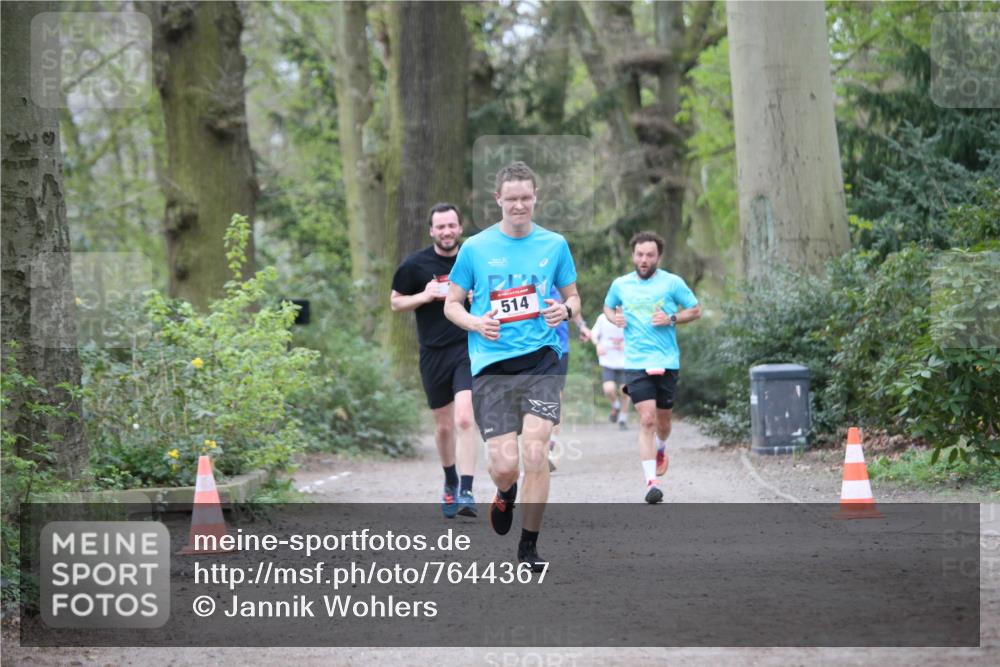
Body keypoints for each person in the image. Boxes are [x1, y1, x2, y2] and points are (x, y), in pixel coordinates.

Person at [445, 161, 580, 571]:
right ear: (498, 200)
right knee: (505, 465)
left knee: (536, 451)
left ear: (535, 197)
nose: (519, 205)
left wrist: (565, 310)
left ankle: (529, 546)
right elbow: (452, 303)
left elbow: (574, 298)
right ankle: (505, 492)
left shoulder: (555, 245)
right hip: (492, 365)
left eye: (526, 198)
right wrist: (475, 321)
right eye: (512, 199)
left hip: (542, 359)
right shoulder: (475, 248)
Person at [390, 203, 478, 519]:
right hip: (433, 353)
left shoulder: (474, 258)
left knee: (465, 418)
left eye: (451, 225)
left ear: (460, 228)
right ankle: (451, 479)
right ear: (431, 231)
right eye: (440, 227)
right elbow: (396, 302)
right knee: (443, 427)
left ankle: (467, 490)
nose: (446, 232)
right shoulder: (415, 265)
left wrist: (475, 298)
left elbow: (494, 294)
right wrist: (424, 296)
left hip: (466, 348)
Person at [603, 231, 701, 504]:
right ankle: (651, 484)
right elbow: (608, 308)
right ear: (633, 255)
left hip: (667, 361)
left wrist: (671, 317)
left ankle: (661, 446)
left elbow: (695, 309)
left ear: (658, 257)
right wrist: (615, 319)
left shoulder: (672, 283)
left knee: (663, 422)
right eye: (639, 255)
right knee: (646, 419)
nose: (643, 260)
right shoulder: (621, 285)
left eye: (649, 255)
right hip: (635, 362)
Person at [589, 312, 629, 430]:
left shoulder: (629, 317)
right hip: (608, 360)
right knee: (608, 389)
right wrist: (597, 344)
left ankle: (623, 418)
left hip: (625, 361)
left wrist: (627, 343)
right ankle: (616, 405)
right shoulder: (602, 318)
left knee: (625, 390)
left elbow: (638, 336)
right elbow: (593, 334)